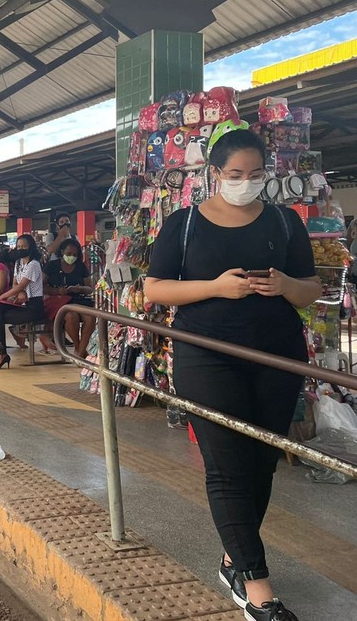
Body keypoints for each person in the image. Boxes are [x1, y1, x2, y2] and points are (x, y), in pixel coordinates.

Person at [144, 128, 319, 621]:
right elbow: (155, 289)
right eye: (236, 174)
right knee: (226, 465)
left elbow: (310, 290)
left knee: (262, 462)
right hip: (207, 356)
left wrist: (285, 285)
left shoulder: (285, 222)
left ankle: (233, 559)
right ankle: (257, 587)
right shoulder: (183, 225)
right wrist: (216, 287)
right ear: (215, 173)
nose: (246, 182)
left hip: (277, 357)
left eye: (256, 174)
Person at [0, 234, 47, 369]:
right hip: (21, 304)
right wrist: (20, 292)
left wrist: (1, 297)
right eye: (18, 246)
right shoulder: (19, 263)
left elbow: (21, 285)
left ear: (31, 247)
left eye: (24, 246)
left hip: (33, 307)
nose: (20, 249)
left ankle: (0, 351)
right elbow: (15, 284)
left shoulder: (34, 264)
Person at [43, 238, 95, 358]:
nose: (72, 256)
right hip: (59, 303)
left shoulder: (81, 266)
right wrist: (57, 291)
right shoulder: (52, 266)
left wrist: (80, 288)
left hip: (78, 301)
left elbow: (90, 288)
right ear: (62, 252)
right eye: (69, 253)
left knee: (90, 318)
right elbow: (41, 286)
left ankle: (80, 351)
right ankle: (78, 347)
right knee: (71, 317)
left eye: (75, 254)